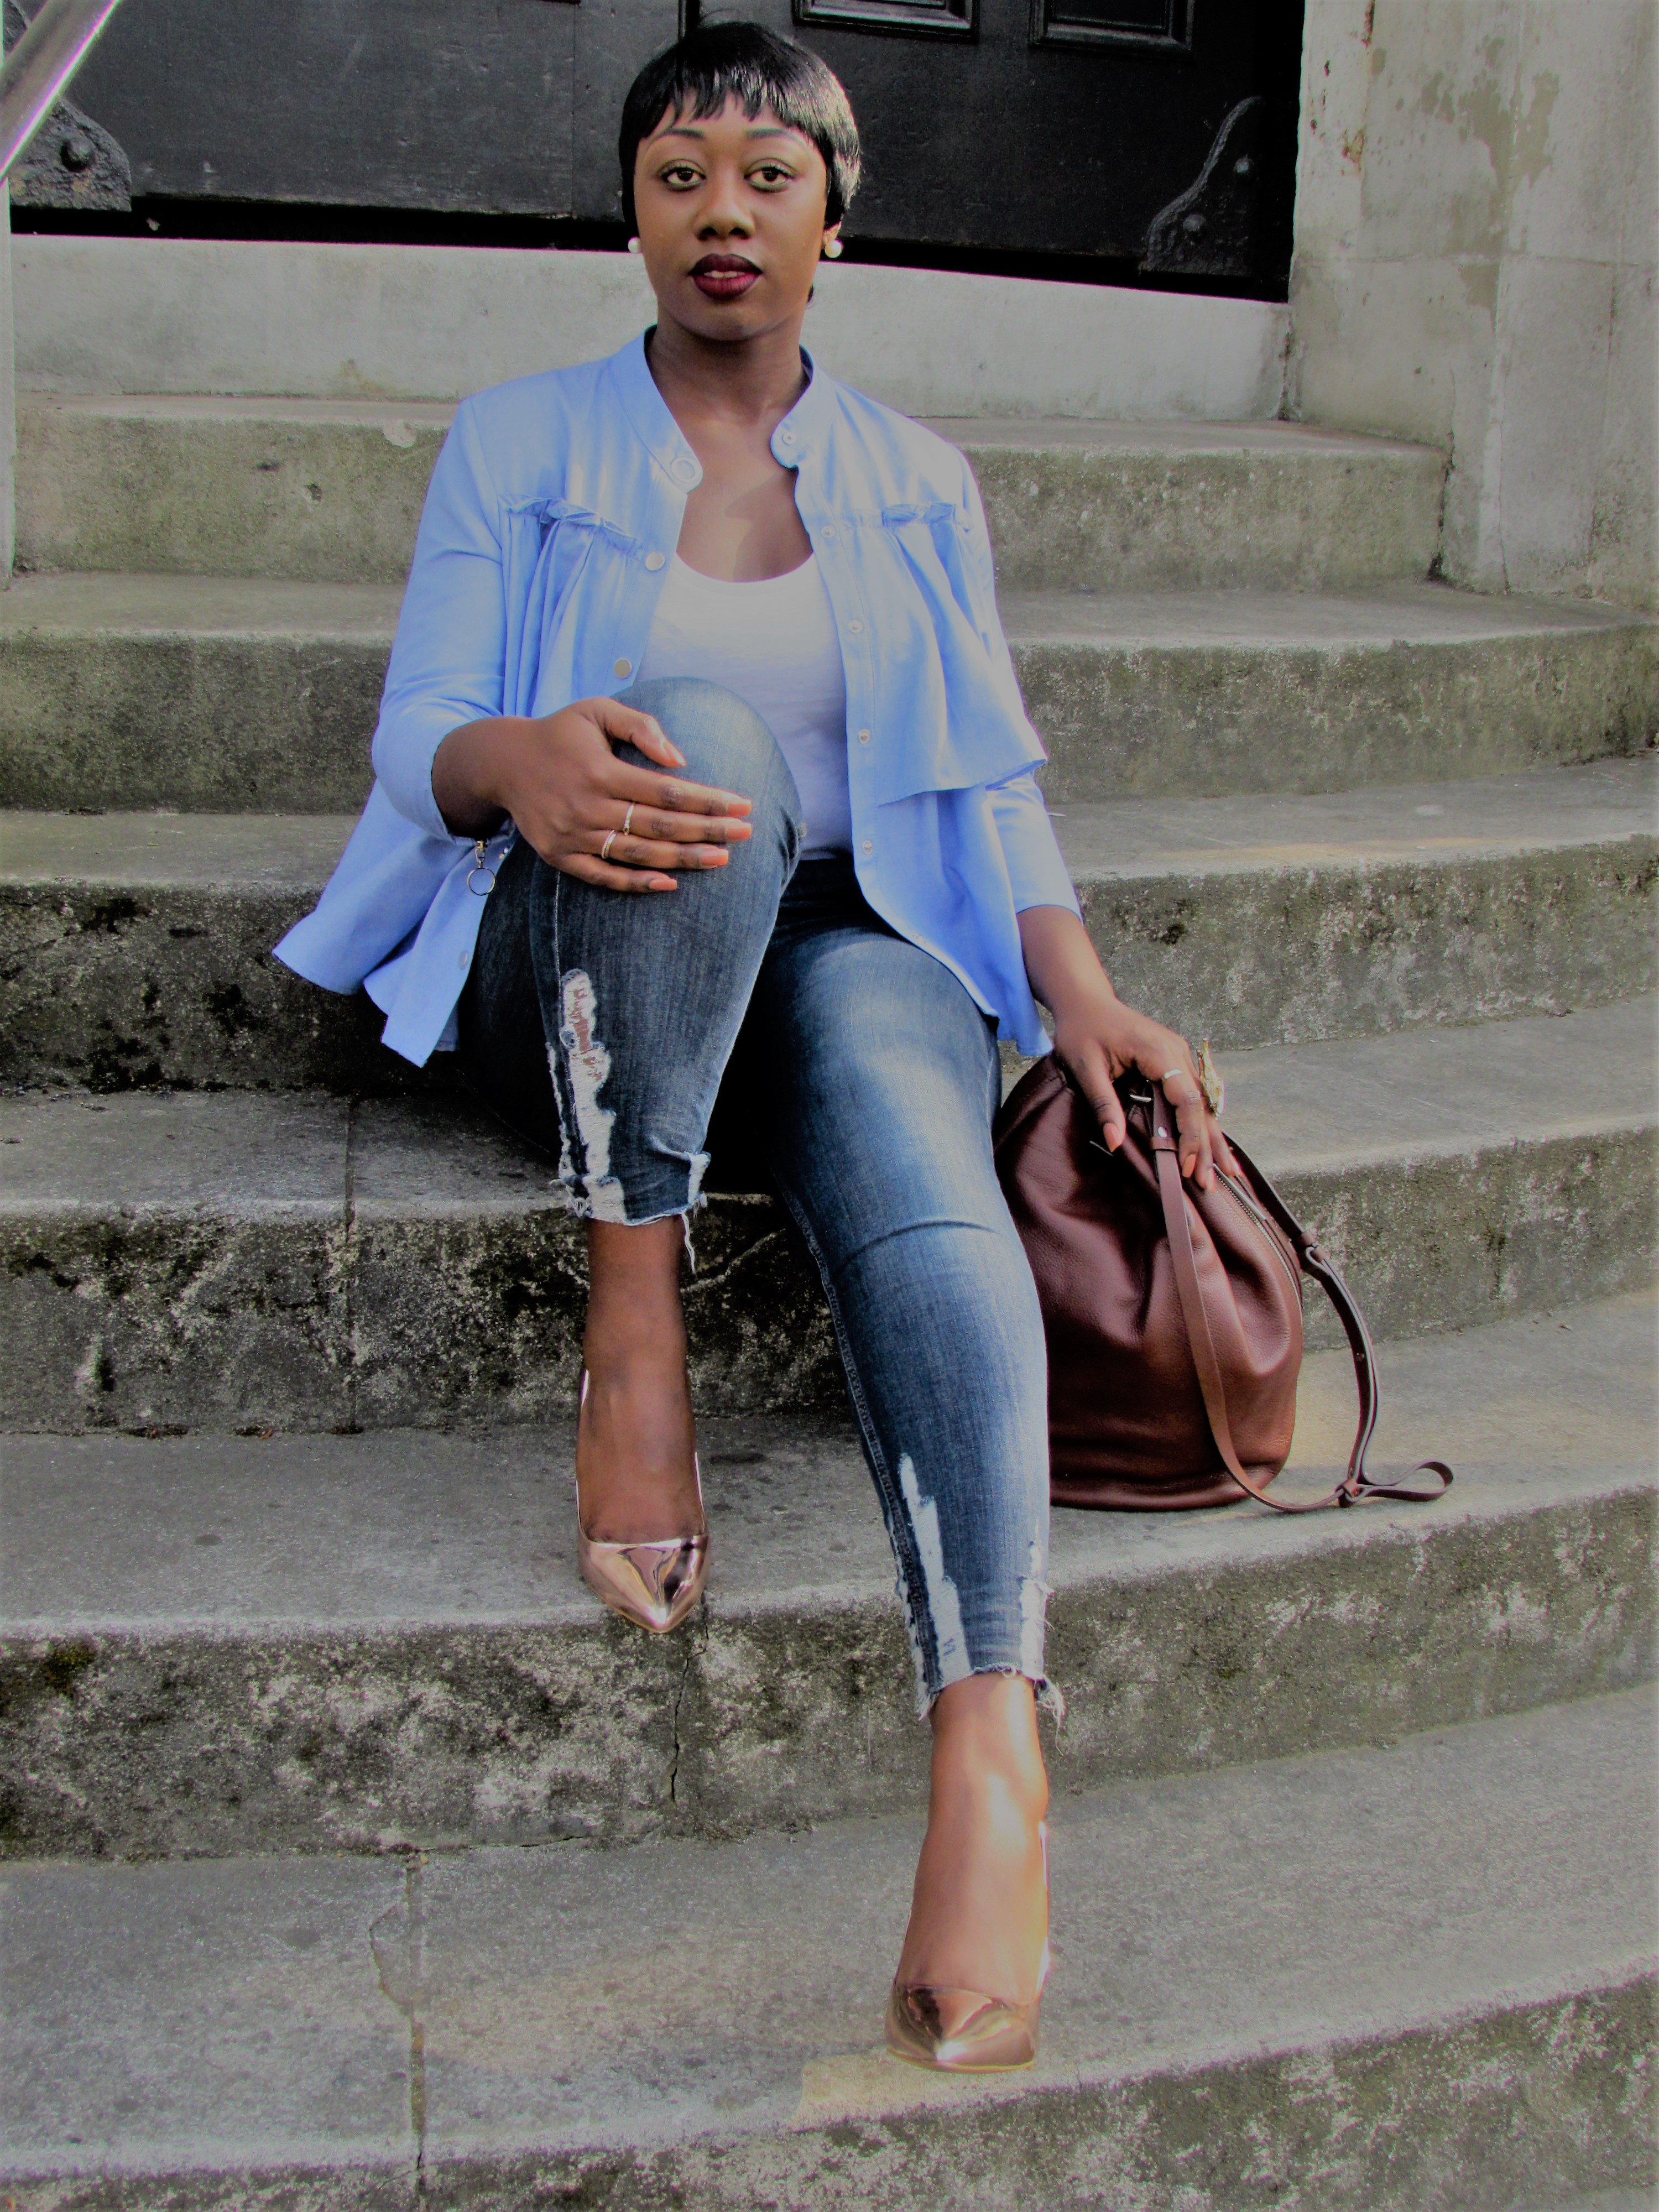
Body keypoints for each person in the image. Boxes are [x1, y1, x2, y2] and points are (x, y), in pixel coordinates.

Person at [276, 19, 1231, 2072]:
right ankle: (637, 1317)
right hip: (577, 937)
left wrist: (1079, 992)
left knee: (916, 1139)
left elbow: (984, 777)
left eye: (770, 177)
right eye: (682, 174)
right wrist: (517, 760)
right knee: (693, 744)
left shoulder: (914, 479)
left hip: (843, 928)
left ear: (832, 222)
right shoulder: (520, 439)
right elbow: (417, 729)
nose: (726, 212)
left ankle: (991, 1746)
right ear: (633, 215)